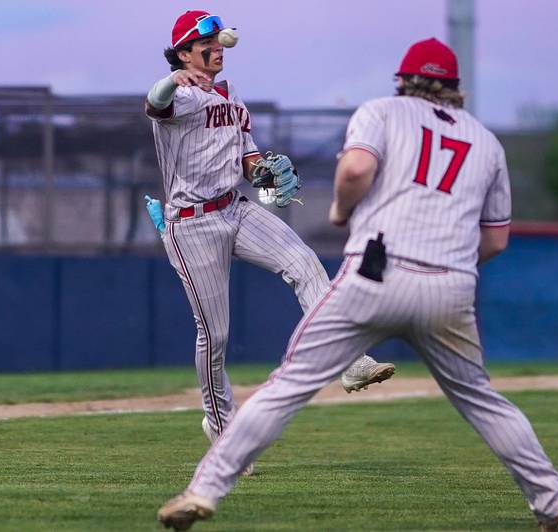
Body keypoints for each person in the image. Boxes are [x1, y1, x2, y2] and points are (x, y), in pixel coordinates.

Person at [158, 38, 558, 532]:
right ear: (455, 88)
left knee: (288, 385)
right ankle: (554, 501)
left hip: (376, 271)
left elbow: (357, 168)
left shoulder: (382, 111)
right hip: (449, 283)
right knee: (483, 400)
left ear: (403, 81)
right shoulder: (487, 141)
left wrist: (338, 210)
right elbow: (495, 240)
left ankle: (204, 491)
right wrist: (450, 265)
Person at [143, 9, 396, 469]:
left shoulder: (231, 93)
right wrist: (173, 79)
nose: (218, 47)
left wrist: (267, 181)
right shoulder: (178, 96)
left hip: (235, 207)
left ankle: (349, 360)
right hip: (190, 223)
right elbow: (152, 104)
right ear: (184, 52)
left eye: (219, 41)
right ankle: (220, 425)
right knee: (215, 334)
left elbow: (249, 160)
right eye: (207, 43)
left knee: (304, 263)